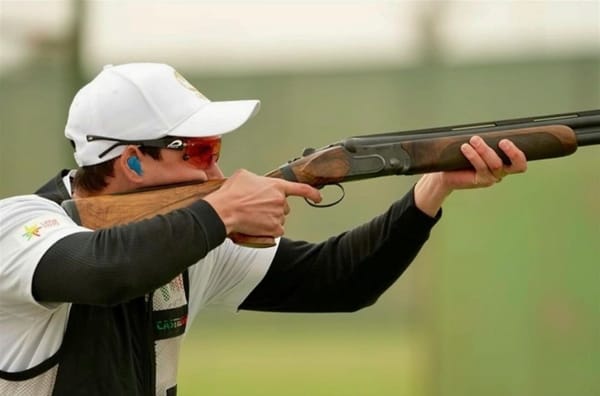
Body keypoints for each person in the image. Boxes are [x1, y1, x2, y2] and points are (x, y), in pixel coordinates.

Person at [0, 62, 527, 396]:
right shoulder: (20, 224)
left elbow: (341, 280)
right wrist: (221, 212)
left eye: (217, 151)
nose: (216, 174)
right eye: (201, 151)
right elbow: (100, 272)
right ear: (133, 161)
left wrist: (431, 190)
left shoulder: (186, 240)